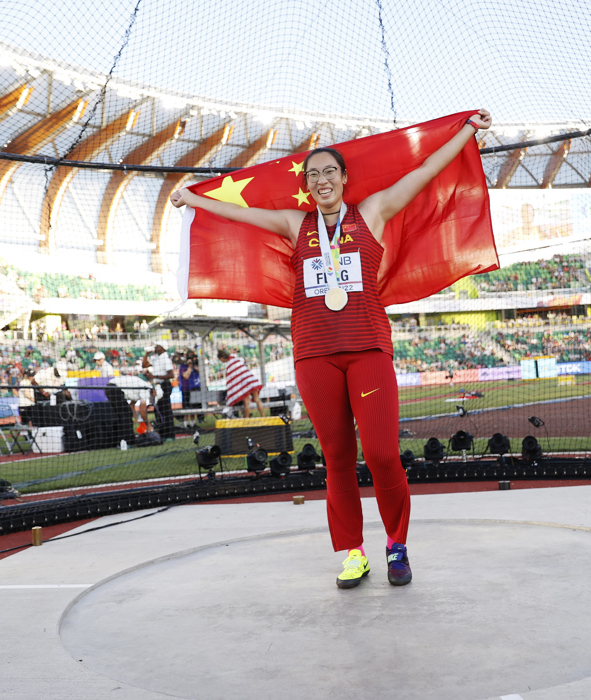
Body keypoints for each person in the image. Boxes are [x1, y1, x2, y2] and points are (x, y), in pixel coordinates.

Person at [171, 109, 493, 588]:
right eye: (313, 174)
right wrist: (192, 197)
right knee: (337, 459)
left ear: (344, 178)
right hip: (314, 354)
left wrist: (467, 131)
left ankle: (396, 544)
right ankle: (353, 553)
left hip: (367, 349)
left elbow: (424, 173)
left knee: (383, 454)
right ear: (307, 184)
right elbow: (240, 212)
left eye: (329, 172)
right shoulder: (293, 222)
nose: (321, 180)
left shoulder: (375, 212)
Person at [216, 348, 264, 418]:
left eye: (220, 359)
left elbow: (232, 379)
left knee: (246, 403)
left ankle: (246, 420)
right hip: (252, 381)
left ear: (221, 358)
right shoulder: (236, 359)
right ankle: (264, 417)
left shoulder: (229, 364)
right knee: (257, 400)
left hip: (245, 384)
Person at [143, 340, 175, 441]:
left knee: (165, 410)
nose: (155, 348)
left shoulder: (165, 359)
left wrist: (155, 376)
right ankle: (162, 433)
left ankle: (169, 435)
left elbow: (171, 375)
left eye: (158, 346)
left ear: (162, 348)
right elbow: (144, 365)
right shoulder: (156, 358)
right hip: (157, 386)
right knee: (158, 410)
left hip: (164, 385)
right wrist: (146, 354)